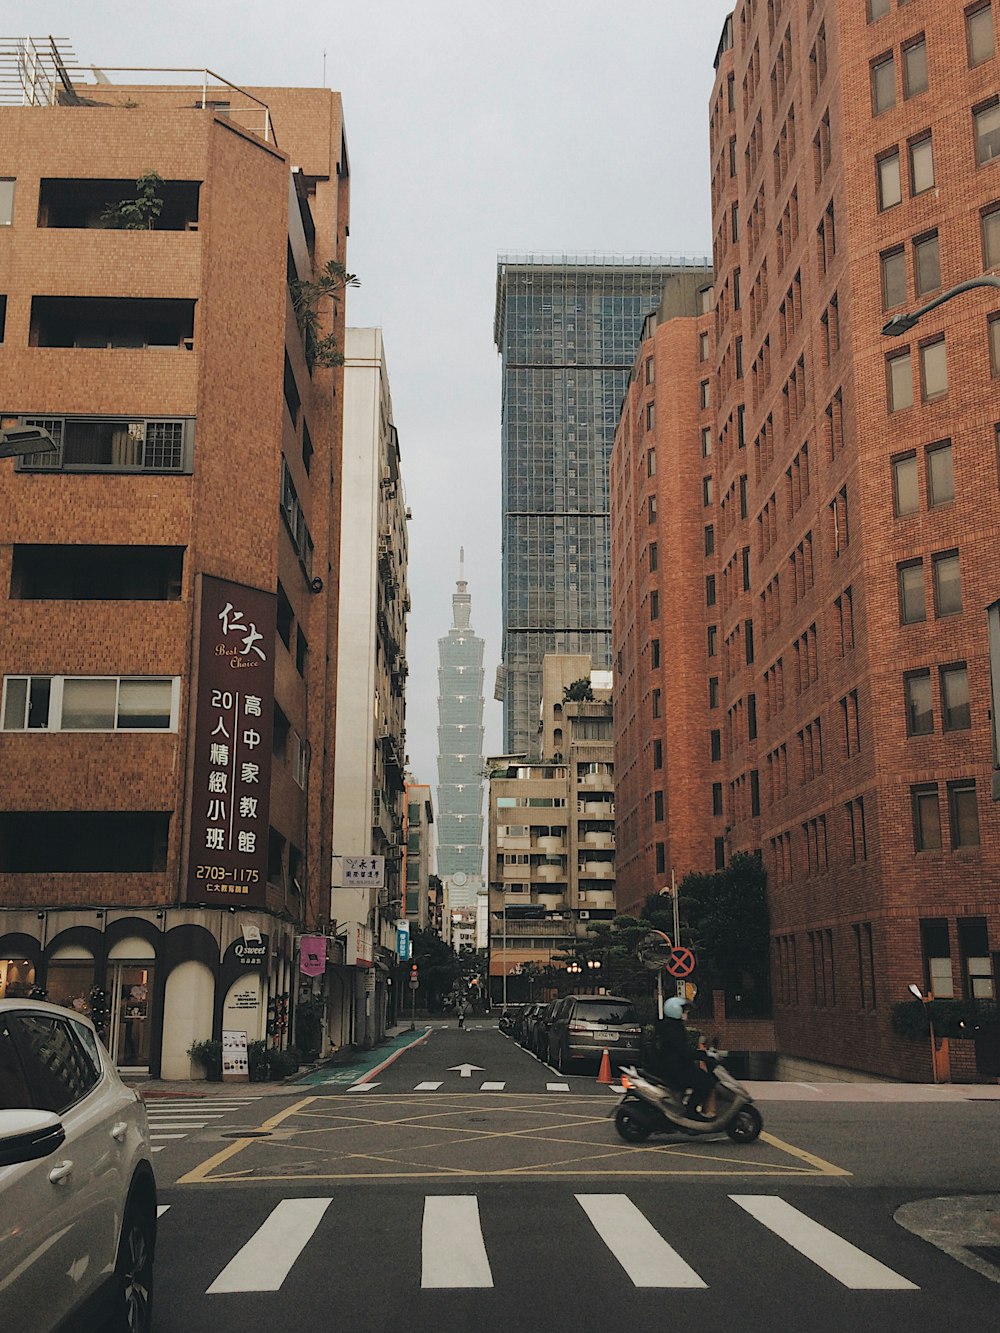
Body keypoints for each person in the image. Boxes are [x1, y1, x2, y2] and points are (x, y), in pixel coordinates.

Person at [653, 996, 717, 1120]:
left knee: (700, 1077)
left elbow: (683, 1049)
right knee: (705, 1082)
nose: (686, 1014)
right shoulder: (673, 1029)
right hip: (675, 1069)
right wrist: (703, 1055)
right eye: (684, 1011)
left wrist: (700, 1054)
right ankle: (691, 1111)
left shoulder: (670, 1026)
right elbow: (683, 1050)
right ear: (676, 1011)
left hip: (674, 1066)